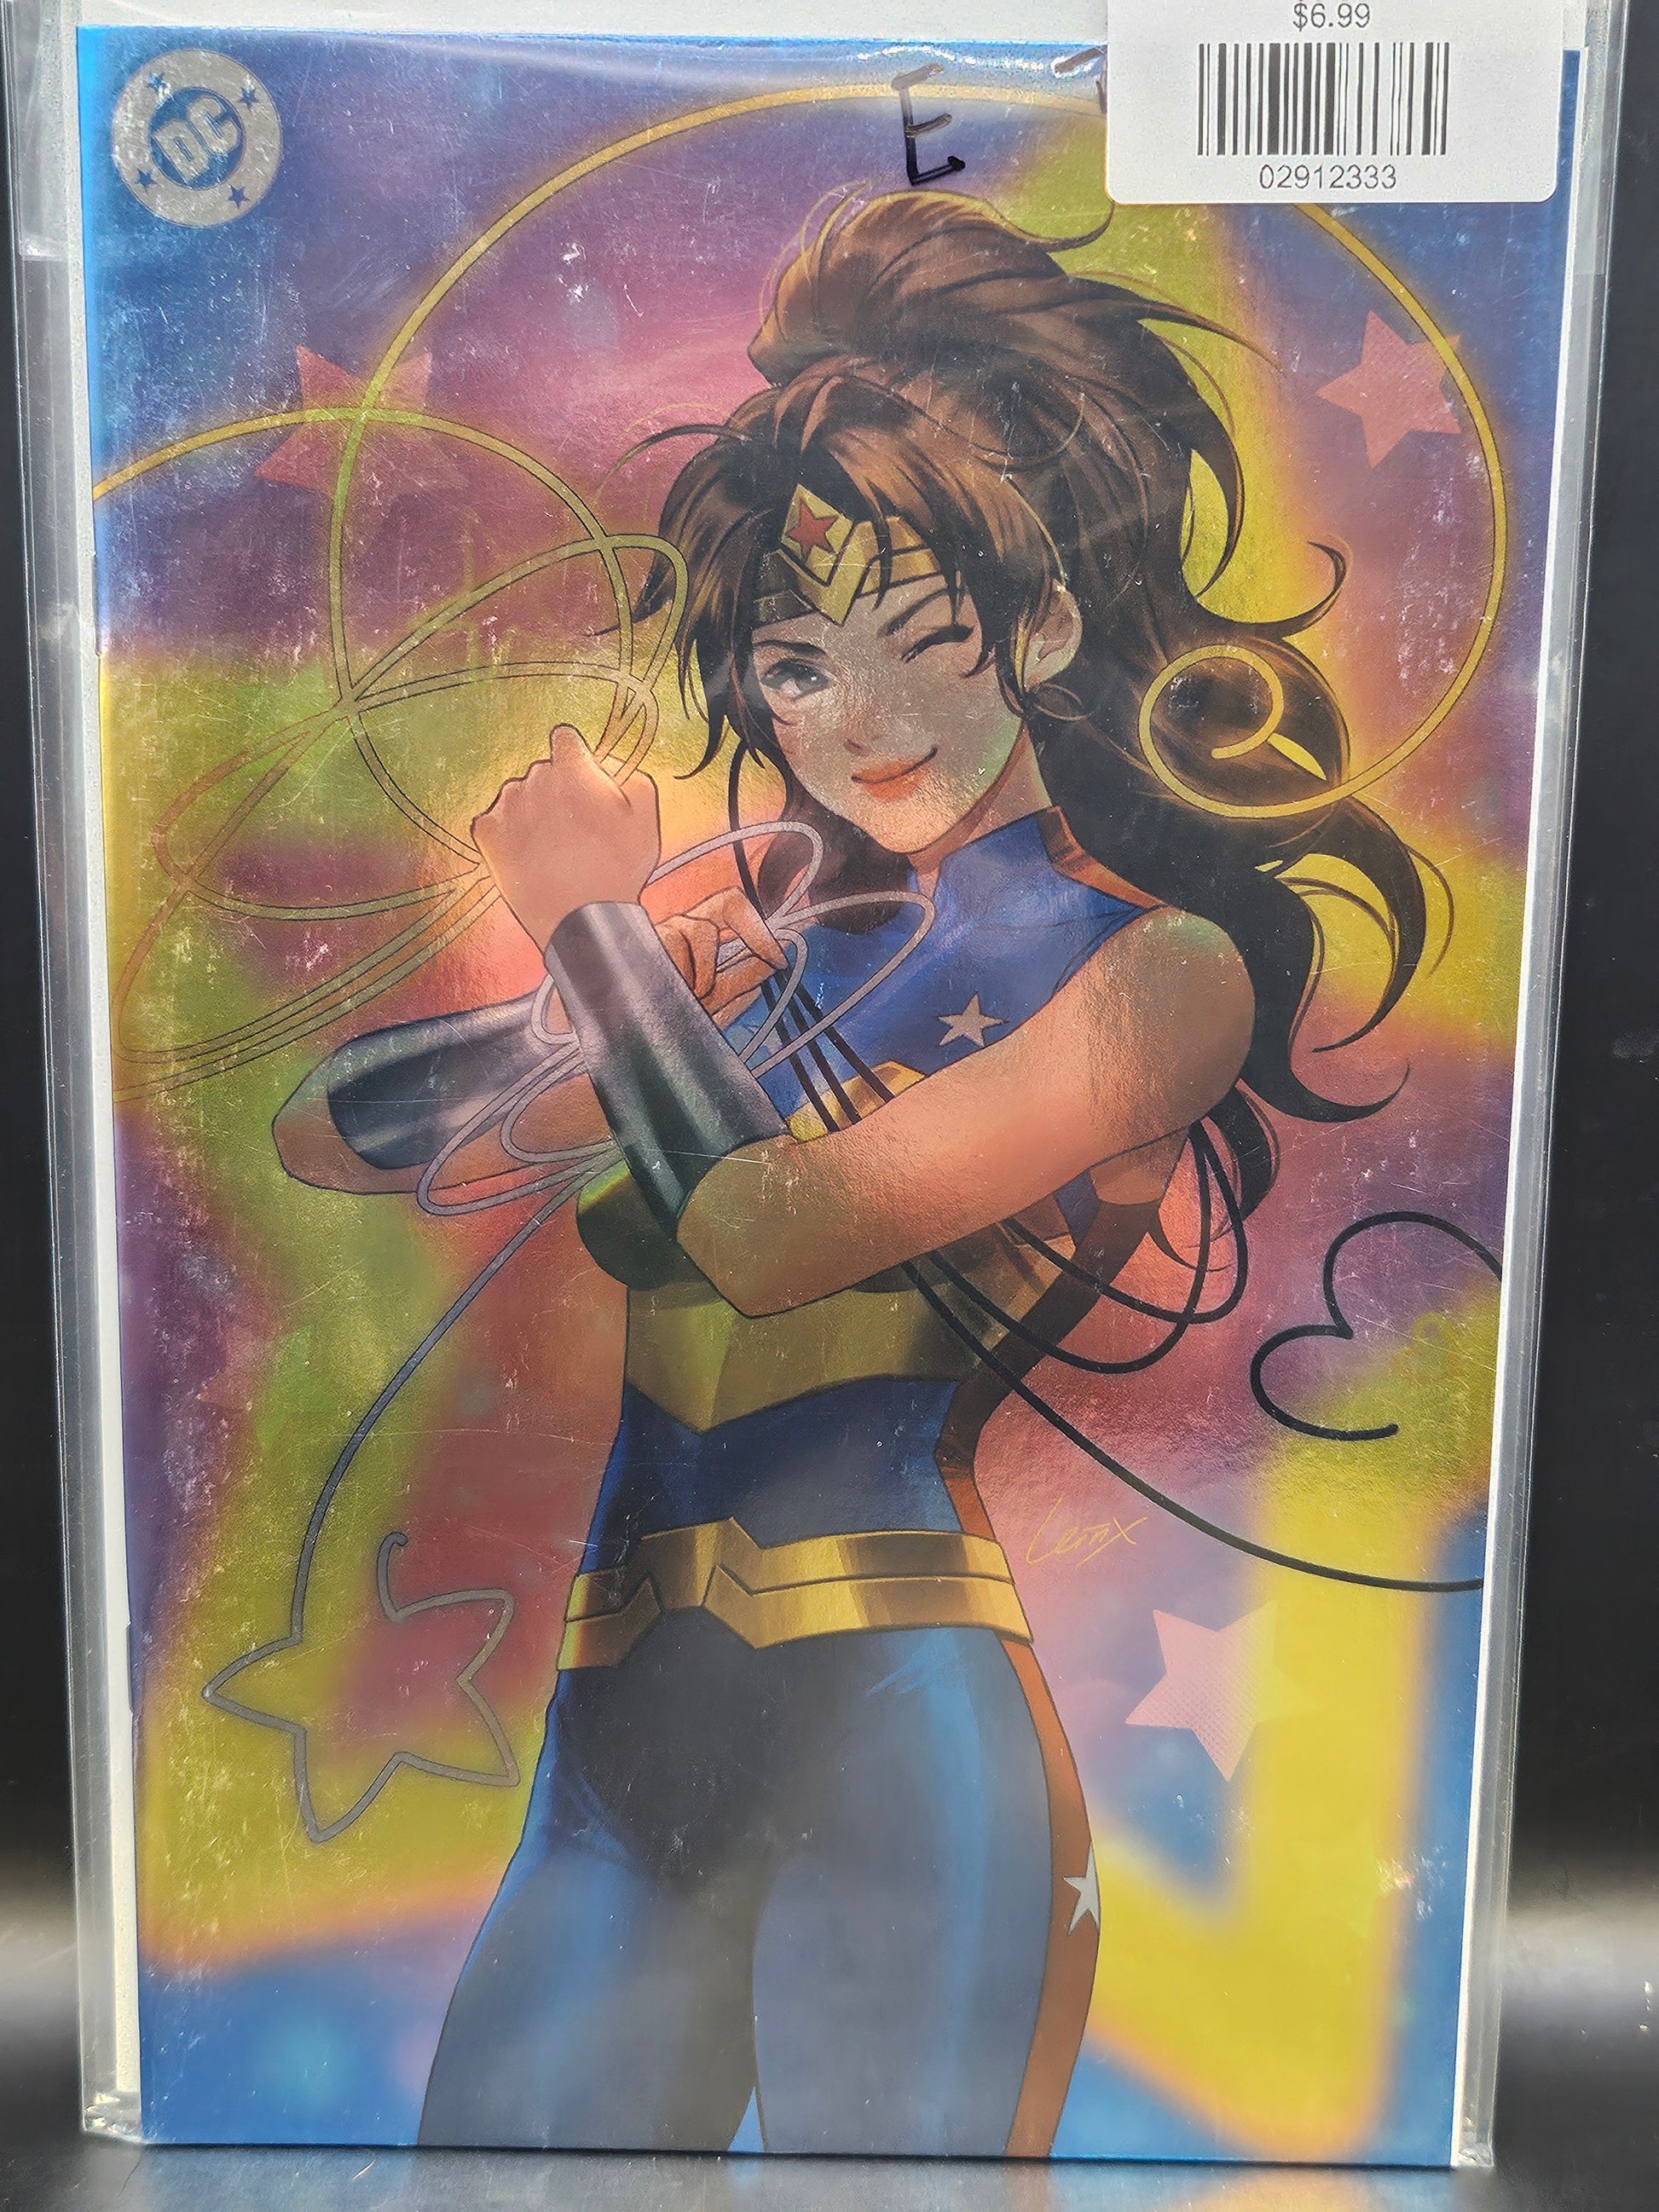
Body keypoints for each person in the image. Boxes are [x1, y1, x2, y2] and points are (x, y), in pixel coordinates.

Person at [274, 189, 1428, 2155]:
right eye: (799, 667)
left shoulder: (1157, 970)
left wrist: (598, 947)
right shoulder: (749, 946)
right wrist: (607, 991)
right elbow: (338, 1134)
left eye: (922, 637)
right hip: (619, 1732)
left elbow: (772, 1234)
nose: (860, 720)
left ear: (1040, 624)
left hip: (885, 1718)